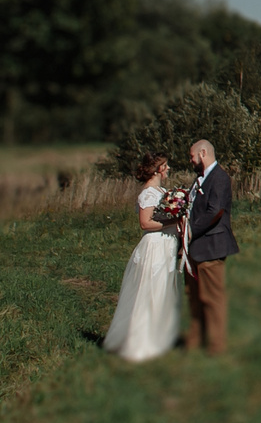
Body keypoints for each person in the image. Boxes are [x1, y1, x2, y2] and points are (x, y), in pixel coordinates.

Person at [100, 152, 185, 362]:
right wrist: (172, 222)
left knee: (164, 291)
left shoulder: (163, 191)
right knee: (151, 290)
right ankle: (141, 342)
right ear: (157, 169)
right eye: (166, 166)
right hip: (155, 246)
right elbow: (145, 223)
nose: (168, 169)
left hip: (167, 244)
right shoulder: (148, 193)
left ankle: (160, 339)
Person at [181, 137, 239, 352]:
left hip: (211, 247)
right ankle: (194, 342)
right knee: (194, 297)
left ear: (202, 153)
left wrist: (189, 231)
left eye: (191, 156)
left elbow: (215, 212)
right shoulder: (199, 180)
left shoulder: (219, 178)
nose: (191, 161)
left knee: (212, 298)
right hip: (195, 249)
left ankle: (216, 347)